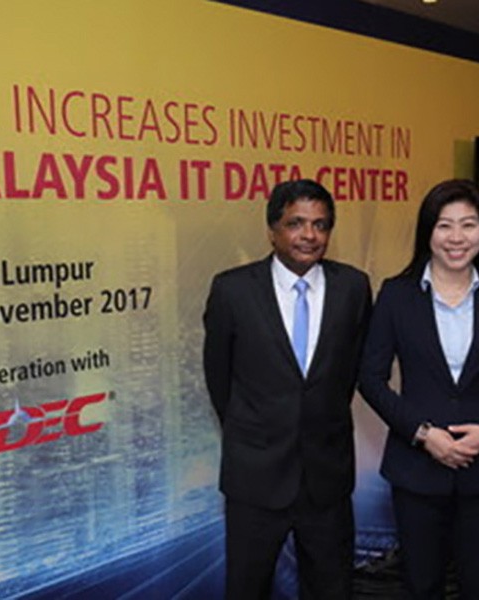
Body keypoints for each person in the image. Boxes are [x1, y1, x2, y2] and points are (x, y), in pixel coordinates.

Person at [359, 179, 479, 599]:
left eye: (468, 225)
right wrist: (422, 434)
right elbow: (370, 378)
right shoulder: (396, 295)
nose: (457, 238)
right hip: (416, 468)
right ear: (428, 232)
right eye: (444, 225)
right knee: (421, 584)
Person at [202, 179, 372, 600]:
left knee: (332, 589)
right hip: (255, 478)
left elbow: (349, 372)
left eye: (320, 224)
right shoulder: (232, 290)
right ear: (272, 230)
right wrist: (255, 430)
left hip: (326, 476)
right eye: (296, 223)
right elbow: (219, 378)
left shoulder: (353, 287)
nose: (309, 235)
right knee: (247, 589)